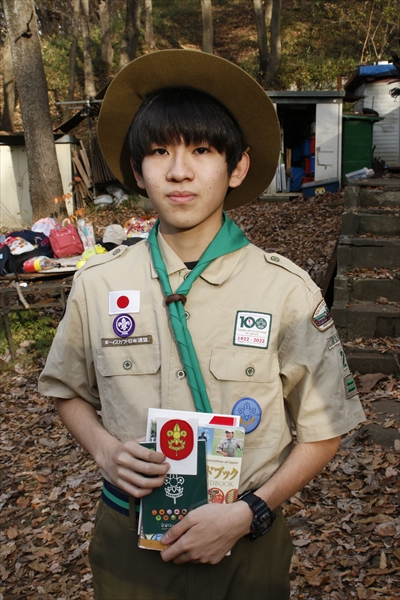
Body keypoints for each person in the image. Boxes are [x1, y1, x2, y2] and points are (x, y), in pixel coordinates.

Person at [39, 50, 365, 600]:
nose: (179, 170)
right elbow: (66, 390)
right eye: (159, 151)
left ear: (237, 167)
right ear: (138, 171)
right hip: (129, 545)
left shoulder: (284, 290)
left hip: (247, 544)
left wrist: (250, 512)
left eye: (202, 150)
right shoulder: (98, 285)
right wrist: (102, 449)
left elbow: (324, 426)